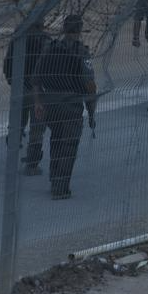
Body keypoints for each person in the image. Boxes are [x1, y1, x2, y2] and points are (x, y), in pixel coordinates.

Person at [31, 14, 96, 200]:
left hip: (51, 104)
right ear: (80, 29)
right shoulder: (81, 53)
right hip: (70, 104)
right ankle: (61, 187)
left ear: (64, 29)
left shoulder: (49, 49)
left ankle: (54, 178)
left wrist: (38, 102)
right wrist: (91, 111)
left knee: (56, 140)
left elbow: (36, 79)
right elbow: (89, 85)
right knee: (69, 145)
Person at [3, 18, 51, 145]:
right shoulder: (46, 40)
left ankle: (14, 140)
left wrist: (12, 82)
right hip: (39, 88)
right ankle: (33, 150)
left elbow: (7, 63)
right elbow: (51, 64)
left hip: (20, 86)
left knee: (19, 118)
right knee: (37, 123)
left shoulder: (18, 38)